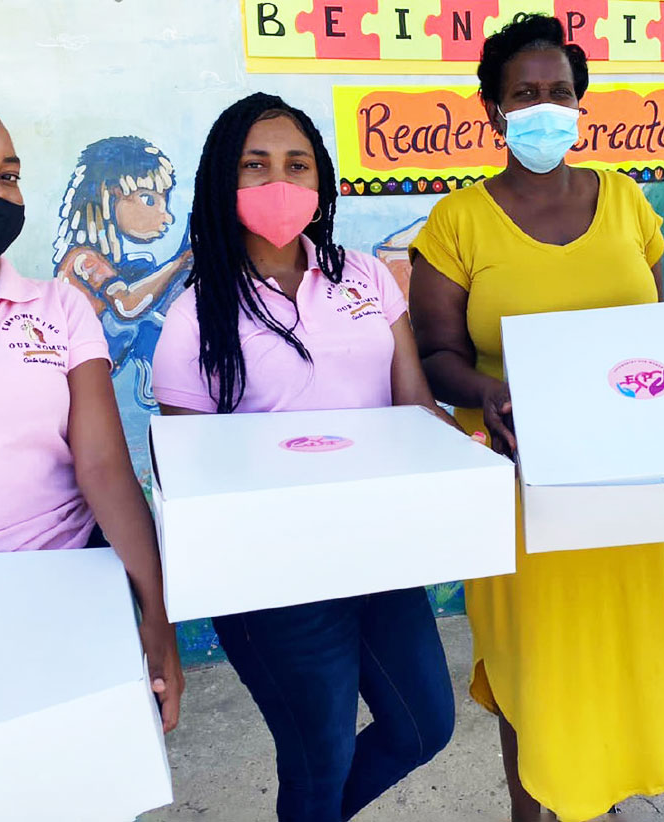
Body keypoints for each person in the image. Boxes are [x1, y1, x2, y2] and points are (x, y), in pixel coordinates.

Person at [407, 15, 664, 822]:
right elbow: (434, 352)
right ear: (493, 110)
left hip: (631, 489)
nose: (544, 106)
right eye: (524, 93)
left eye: (559, 92)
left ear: (580, 103)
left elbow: (659, 336)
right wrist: (483, 392)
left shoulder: (628, 203)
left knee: (617, 664)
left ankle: (602, 804)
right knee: (539, 672)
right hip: (524, 490)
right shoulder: (458, 223)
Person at [151, 92, 456, 822]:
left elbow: (412, 407)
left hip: (378, 550)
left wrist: (463, 455)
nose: (278, 182)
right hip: (274, 578)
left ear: (321, 183)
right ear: (224, 182)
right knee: (320, 757)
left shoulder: (365, 277)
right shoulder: (199, 311)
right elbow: (191, 468)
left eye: (297, 164)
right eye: (255, 166)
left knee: (424, 725)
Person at [0, 86, 183, 730]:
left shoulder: (58, 308)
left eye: (8, 175)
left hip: (63, 596)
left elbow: (106, 469)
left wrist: (155, 614)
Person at [53, 136, 193, 409]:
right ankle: (155, 378)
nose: (167, 216)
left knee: (148, 274)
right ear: (110, 194)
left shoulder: (116, 264)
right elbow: (125, 307)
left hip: (105, 354)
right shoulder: (83, 259)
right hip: (89, 360)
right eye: (148, 200)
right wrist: (179, 262)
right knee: (147, 311)